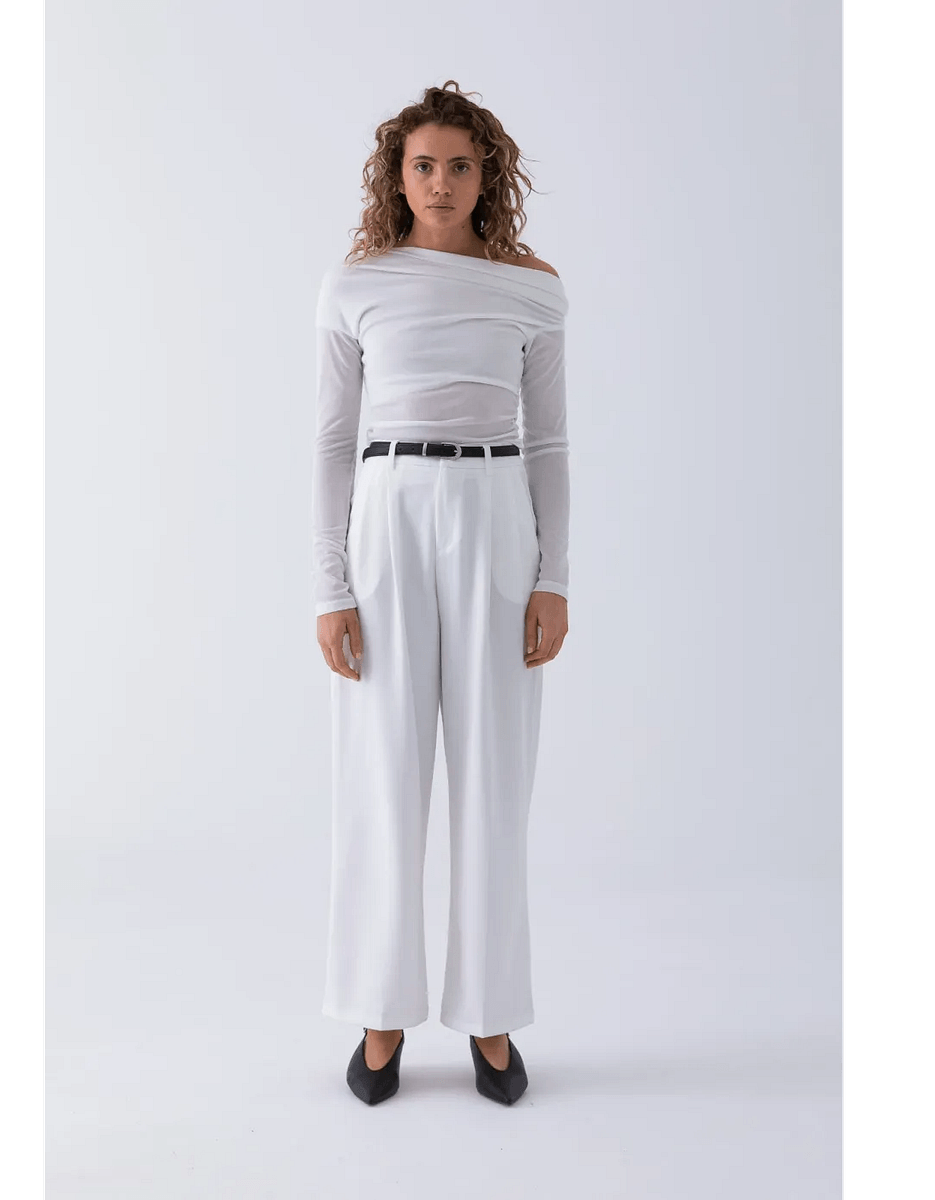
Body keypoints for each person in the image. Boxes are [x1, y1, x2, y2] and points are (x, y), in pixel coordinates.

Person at [312, 81, 570, 1107]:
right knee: (383, 766)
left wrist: (553, 576)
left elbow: (549, 443)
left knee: (493, 773)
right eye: (422, 164)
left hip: (494, 513)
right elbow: (332, 440)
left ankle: (489, 1014)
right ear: (397, 174)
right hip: (388, 513)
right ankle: (382, 1011)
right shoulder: (355, 285)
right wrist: (329, 586)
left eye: (460, 165)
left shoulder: (532, 289)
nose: (440, 182)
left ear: (485, 176)